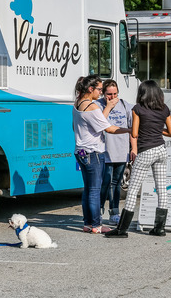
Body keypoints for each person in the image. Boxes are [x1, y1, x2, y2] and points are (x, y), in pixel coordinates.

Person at [106, 80, 171, 238]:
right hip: (161, 150)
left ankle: (122, 229)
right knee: (162, 189)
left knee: (132, 191)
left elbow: (135, 133)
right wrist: (158, 130)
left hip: (146, 151)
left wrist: (146, 128)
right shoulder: (164, 109)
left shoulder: (137, 109)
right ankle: (159, 228)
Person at [73, 75, 131, 234]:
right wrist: (130, 130)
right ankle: (97, 225)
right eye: (99, 89)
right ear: (91, 89)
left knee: (87, 189)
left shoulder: (78, 103)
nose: (100, 93)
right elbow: (109, 128)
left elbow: (81, 126)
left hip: (81, 151)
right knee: (94, 190)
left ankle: (87, 223)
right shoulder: (91, 106)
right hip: (93, 153)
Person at [97, 79, 136, 226]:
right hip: (105, 150)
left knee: (116, 183)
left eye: (115, 94)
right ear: (103, 93)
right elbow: (99, 123)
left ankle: (114, 212)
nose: (112, 97)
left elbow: (132, 129)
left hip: (121, 150)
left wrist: (134, 148)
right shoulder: (98, 105)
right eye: (109, 94)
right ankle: (99, 210)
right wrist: (107, 106)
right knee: (104, 182)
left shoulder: (125, 105)